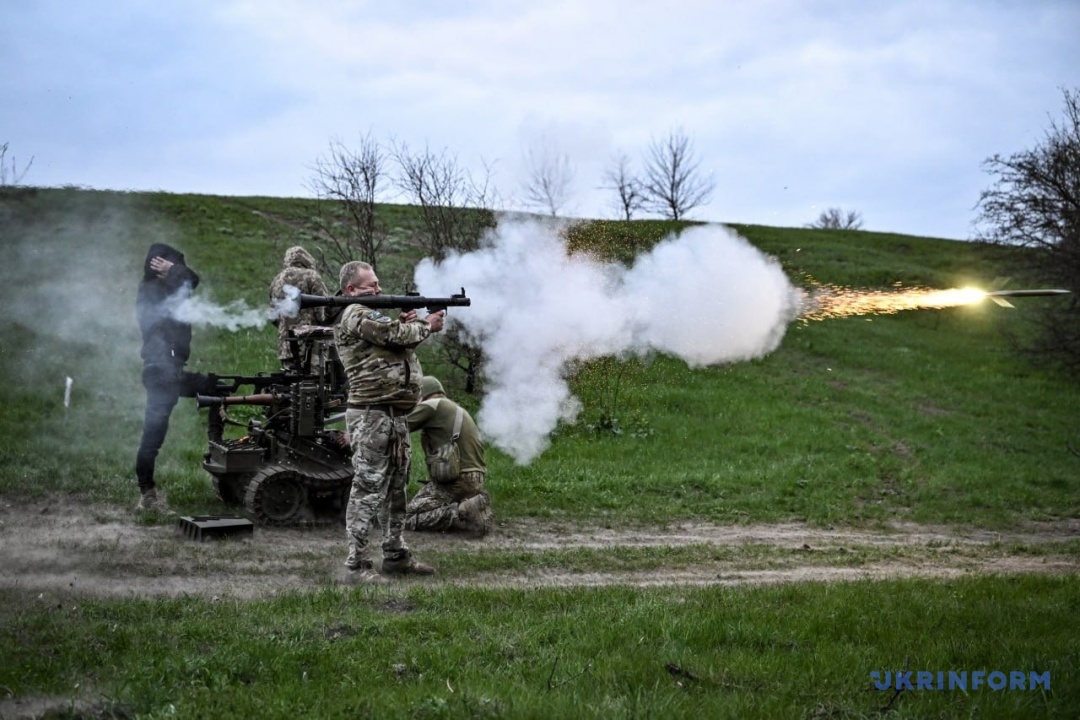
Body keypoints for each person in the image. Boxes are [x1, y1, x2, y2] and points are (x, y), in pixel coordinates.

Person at [334, 260, 445, 583]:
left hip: (393, 415)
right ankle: (356, 565)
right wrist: (425, 325)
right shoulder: (354, 312)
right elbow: (391, 334)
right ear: (351, 289)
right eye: (371, 285)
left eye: (378, 284)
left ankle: (395, 555)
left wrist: (411, 326)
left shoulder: (370, 313)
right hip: (372, 415)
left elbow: (395, 339)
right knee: (367, 489)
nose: (379, 290)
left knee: (396, 489)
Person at [134, 243, 210, 514]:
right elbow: (191, 279)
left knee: (214, 388)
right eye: (168, 264)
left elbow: (190, 282)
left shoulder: (167, 291)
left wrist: (174, 271)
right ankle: (147, 495)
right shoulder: (152, 291)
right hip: (160, 372)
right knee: (153, 435)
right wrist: (174, 270)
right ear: (158, 265)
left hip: (171, 371)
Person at [405, 376, 492, 535]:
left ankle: (459, 514)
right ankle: (469, 503)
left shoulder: (431, 405)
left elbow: (398, 427)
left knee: (407, 516)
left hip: (458, 479)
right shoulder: (455, 408)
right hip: (475, 477)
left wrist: (355, 435)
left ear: (421, 394)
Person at [269, 245, 329, 371]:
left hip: (285, 348)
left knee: (291, 385)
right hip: (309, 347)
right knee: (314, 386)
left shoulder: (276, 280)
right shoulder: (311, 276)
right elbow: (323, 311)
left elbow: (273, 316)